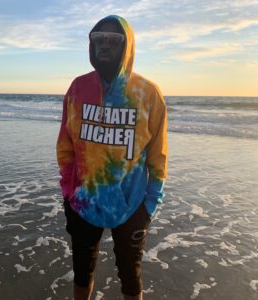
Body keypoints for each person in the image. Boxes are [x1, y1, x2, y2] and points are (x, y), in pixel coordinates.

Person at [56, 15, 168, 300]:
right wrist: (68, 191)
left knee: (131, 276)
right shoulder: (78, 88)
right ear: (91, 44)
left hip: (131, 204)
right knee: (82, 270)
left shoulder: (148, 94)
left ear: (127, 46)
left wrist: (150, 204)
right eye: (98, 39)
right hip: (83, 201)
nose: (104, 45)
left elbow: (158, 156)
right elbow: (65, 144)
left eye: (114, 40)